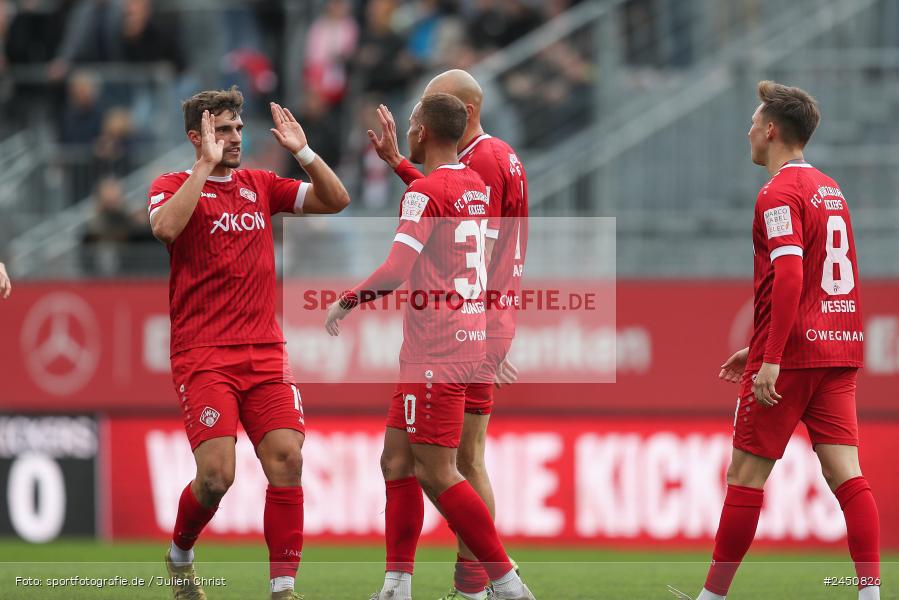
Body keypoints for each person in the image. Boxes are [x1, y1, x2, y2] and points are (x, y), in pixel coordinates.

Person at [325, 93, 534, 600]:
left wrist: (348, 301)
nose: (410, 129)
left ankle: (507, 584)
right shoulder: (475, 185)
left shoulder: (425, 194)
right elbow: (436, 193)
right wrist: (397, 163)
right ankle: (397, 586)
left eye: (414, 122)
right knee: (395, 462)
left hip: (435, 348)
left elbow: (397, 270)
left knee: (440, 471)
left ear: (423, 132)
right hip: (457, 340)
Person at [147, 86, 350, 600]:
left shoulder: (260, 184)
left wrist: (302, 152)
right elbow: (167, 229)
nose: (235, 138)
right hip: (203, 355)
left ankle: (283, 590)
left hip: (265, 353)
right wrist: (203, 168)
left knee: (288, 459)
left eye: (238, 128)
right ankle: (180, 554)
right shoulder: (172, 184)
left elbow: (336, 199)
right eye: (222, 131)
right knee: (216, 477)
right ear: (197, 137)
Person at [695, 81, 879, 600]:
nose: (748, 131)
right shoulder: (830, 188)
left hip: (794, 356)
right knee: (847, 473)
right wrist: (757, 344)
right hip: (838, 347)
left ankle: (712, 597)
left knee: (745, 476)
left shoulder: (778, 192)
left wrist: (769, 358)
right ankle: (869, 593)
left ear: (771, 130)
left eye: (754, 123)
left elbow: (792, 273)